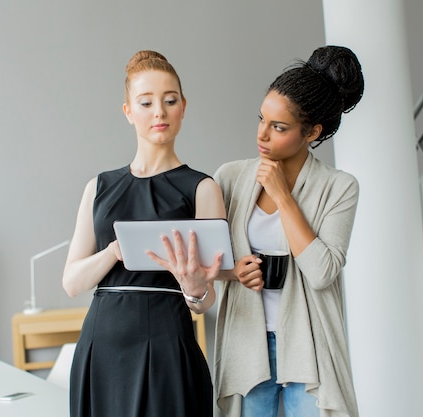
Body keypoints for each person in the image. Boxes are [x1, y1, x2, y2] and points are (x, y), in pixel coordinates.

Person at [62, 50, 225, 417]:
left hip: (168, 343)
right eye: (146, 102)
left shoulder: (202, 188)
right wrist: (113, 253)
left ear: (183, 106)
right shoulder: (98, 187)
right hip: (100, 347)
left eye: (169, 101)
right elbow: (72, 282)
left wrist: (195, 288)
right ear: (128, 111)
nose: (159, 112)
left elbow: (206, 298)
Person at [213, 45, 365, 417]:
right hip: (246, 340)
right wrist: (234, 272)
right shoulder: (230, 178)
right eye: (261, 119)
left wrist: (284, 197)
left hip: (310, 347)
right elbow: (207, 262)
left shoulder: (339, 187)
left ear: (312, 131)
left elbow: (322, 271)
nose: (262, 134)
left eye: (278, 127)